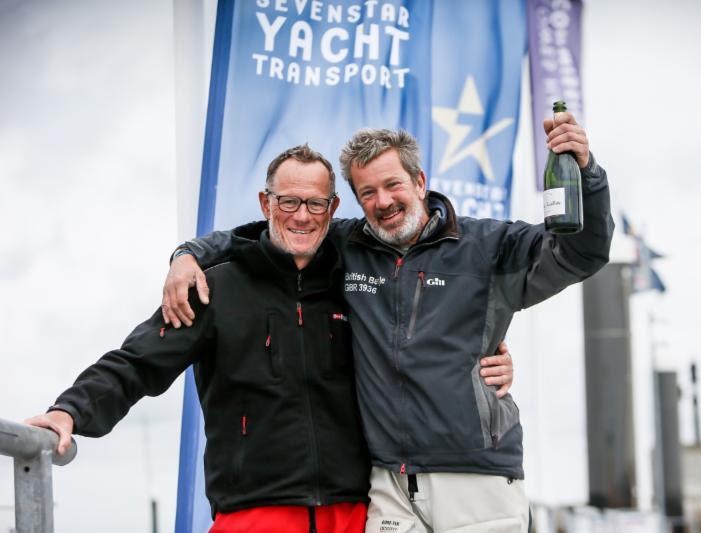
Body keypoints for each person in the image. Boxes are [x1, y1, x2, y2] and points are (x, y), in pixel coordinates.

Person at [162, 113, 613, 532]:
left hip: (476, 476)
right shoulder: (347, 244)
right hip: (388, 486)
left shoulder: (490, 246)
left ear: (419, 182)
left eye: (392, 184)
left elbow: (580, 253)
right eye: (367, 193)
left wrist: (587, 174)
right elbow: (267, 236)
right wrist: (188, 255)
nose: (382, 202)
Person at [25, 145, 511, 532]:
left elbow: (421, 332)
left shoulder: (356, 281)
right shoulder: (214, 287)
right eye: (289, 201)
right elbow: (136, 363)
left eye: (316, 203)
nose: (302, 216)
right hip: (252, 514)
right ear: (266, 204)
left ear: (333, 207)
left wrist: (488, 356)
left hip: (352, 514)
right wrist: (70, 411)